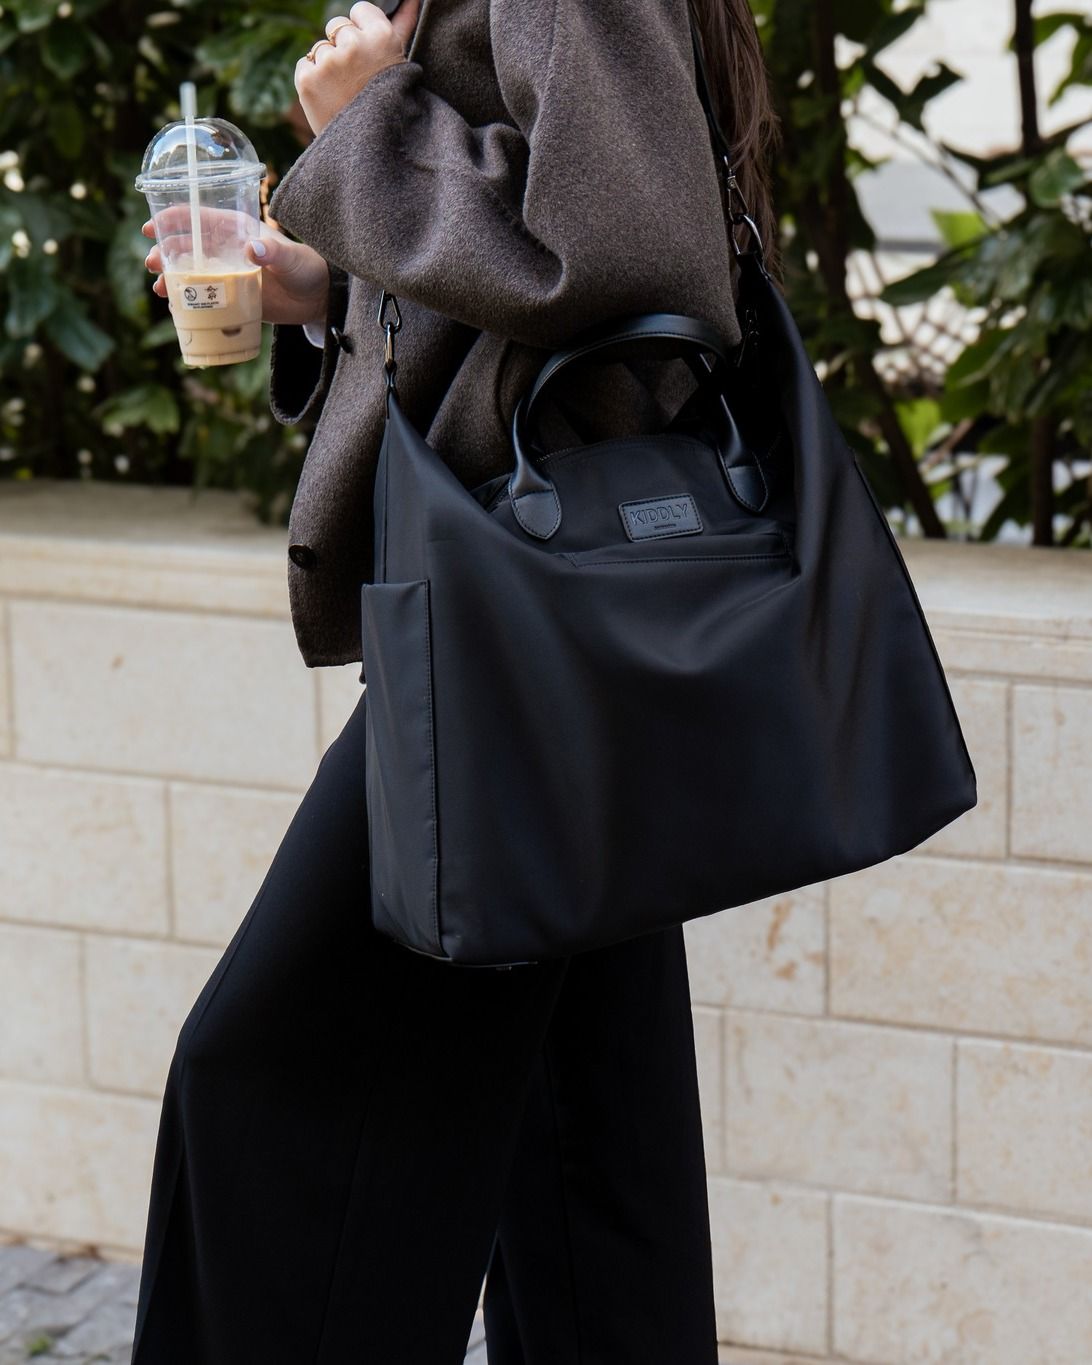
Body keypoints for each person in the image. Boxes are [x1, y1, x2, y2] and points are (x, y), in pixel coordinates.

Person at [132, 1, 779, 1361]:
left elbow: (634, 264)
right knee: (589, 1168)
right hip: (544, 623)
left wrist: (373, 129)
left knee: (265, 1099)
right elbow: (538, 240)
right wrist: (327, 288)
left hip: (522, 638)